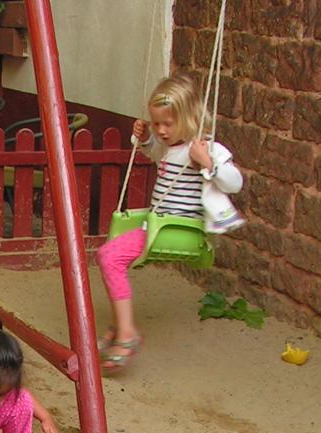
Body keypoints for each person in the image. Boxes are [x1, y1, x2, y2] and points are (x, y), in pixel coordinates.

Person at [95, 75, 244, 370]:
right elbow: (154, 153)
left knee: (108, 256)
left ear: (190, 117)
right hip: (159, 225)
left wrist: (208, 163)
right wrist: (146, 139)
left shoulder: (205, 148)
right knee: (112, 256)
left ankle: (126, 332)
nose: (161, 130)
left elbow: (235, 182)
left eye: (168, 123)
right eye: (156, 123)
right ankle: (119, 326)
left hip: (178, 230)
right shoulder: (171, 147)